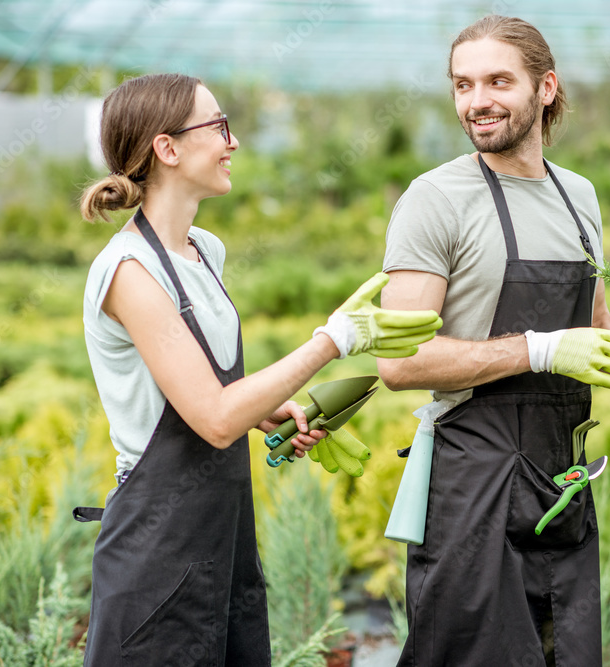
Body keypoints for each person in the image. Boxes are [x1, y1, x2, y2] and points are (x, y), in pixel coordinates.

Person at [74, 73, 441, 666]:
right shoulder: (128, 271)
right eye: (218, 126)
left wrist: (268, 414)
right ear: (167, 149)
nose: (233, 141)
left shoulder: (203, 251)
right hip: (156, 550)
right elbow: (216, 419)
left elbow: (206, 390)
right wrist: (334, 340)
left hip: (224, 537)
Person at [377, 16, 610, 667]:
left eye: (498, 80)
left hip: (561, 483)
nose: (477, 101)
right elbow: (399, 361)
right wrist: (541, 349)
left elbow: (596, 328)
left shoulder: (578, 196)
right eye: (462, 84)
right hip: (473, 482)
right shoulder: (434, 199)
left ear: (545, 87)